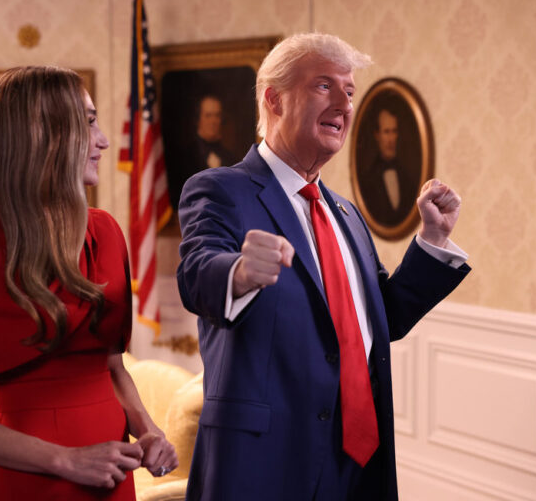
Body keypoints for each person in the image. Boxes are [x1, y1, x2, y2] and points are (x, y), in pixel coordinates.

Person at [177, 33, 470, 500]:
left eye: (349, 91)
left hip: (357, 464)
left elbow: (383, 318)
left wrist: (432, 239)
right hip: (264, 463)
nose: (344, 104)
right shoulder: (219, 189)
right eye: (323, 86)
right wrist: (241, 272)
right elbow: (197, 276)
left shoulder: (347, 214)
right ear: (274, 99)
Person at [0, 66, 177, 501]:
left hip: (112, 474)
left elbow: (112, 367)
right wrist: (65, 460)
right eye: (89, 123)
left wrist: (148, 431)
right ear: (45, 135)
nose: (103, 141)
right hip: (30, 478)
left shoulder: (107, 232)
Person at [358, 107, 417, 227]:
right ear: (377, 135)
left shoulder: (407, 177)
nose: (391, 139)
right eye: (386, 132)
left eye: (394, 131)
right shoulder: (367, 180)